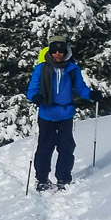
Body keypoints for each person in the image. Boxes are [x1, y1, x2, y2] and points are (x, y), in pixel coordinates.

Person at [25, 40, 91, 191]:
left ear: (65, 52)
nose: (57, 54)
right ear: (50, 53)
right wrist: (35, 96)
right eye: (54, 52)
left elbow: (80, 88)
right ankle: (42, 179)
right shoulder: (41, 69)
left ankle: (63, 178)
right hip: (47, 114)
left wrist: (91, 94)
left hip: (66, 114)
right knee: (44, 148)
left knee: (66, 148)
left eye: (61, 52)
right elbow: (32, 89)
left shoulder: (72, 69)